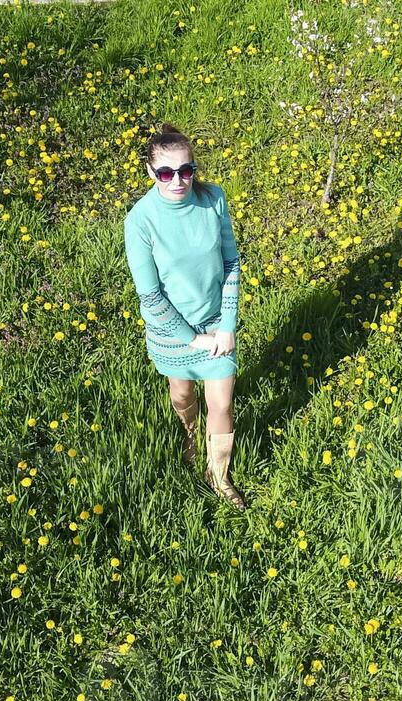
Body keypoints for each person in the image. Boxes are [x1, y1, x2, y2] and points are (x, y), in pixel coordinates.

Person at [123, 123, 247, 511]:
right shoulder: (140, 222)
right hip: (172, 333)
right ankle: (189, 435)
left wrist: (225, 325)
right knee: (182, 394)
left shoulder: (214, 200)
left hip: (215, 323)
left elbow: (231, 261)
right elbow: (151, 295)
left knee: (223, 404)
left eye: (186, 170)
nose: (178, 180)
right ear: (151, 172)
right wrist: (194, 339)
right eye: (166, 173)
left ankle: (219, 475)